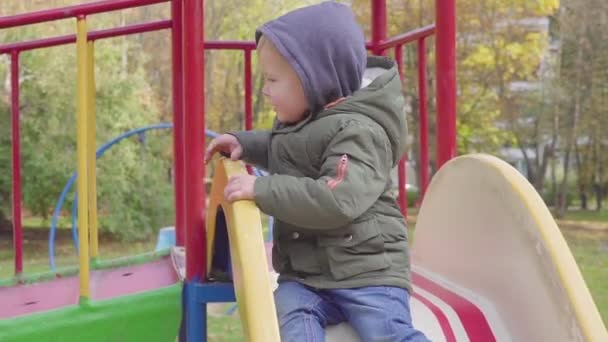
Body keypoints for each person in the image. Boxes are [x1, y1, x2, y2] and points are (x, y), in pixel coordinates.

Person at [205, 2, 428, 341]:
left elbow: (336, 199)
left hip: (368, 272)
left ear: (313, 80)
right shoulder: (309, 122)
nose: (266, 90)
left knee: (387, 332)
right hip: (309, 278)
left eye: (273, 79)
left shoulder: (358, 130)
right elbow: (287, 148)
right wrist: (245, 144)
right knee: (290, 314)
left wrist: (262, 190)